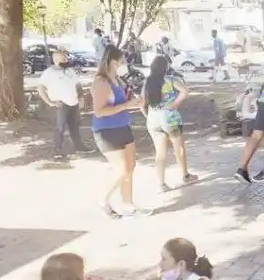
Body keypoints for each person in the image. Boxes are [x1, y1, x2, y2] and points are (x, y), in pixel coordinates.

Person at [91, 44, 149, 218]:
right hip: (107, 132)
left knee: (130, 168)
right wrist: (126, 105)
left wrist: (135, 103)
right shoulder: (101, 82)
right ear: (113, 61)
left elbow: (121, 105)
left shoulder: (118, 80)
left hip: (123, 126)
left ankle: (128, 205)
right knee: (122, 170)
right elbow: (99, 111)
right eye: (122, 61)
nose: (124, 64)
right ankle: (103, 200)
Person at [141, 55, 197, 192]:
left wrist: (149, 115)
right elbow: (184, 91)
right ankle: (185, 175)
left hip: (153, 119)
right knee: (179, 147)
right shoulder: (171, 80)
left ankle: (161, 184)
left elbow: (142, 105)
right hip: (170, 118)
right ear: (165, 67)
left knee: (160, 152)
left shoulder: (147, 83)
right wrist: (175, 103)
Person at [37, 47, 92, 159]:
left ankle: (79, 146)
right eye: (64, 59)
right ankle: (57, 149)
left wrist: (81, 98)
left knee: (75, 126)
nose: (67, 61)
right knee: (60, 128)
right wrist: (50, 102)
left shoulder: (70, 71)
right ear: (56, 60)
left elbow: (78, 85)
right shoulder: (49, 73)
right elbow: (40, 89)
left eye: (67, 58)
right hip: (61, 105)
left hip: (74, 103)